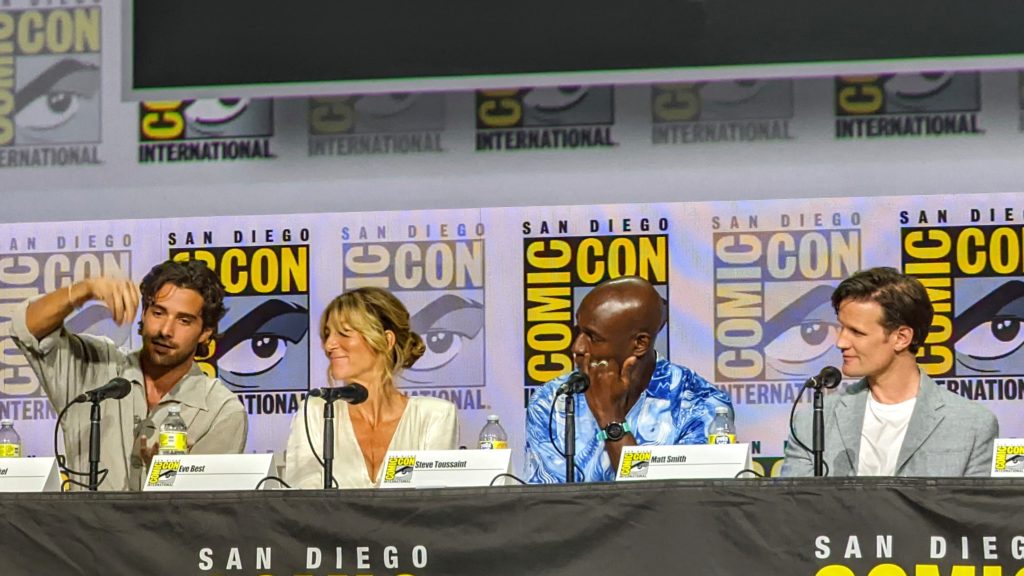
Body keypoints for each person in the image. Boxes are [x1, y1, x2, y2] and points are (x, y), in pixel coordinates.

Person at [11, 259, 248, 491]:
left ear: (205, 333)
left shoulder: (221, 411)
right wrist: (83, 290)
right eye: (158, 313)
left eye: (183, 321)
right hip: (81, 529)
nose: (165, 330)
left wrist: (164, 482)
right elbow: (28, 329)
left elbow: (209, 511)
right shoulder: (95, 365)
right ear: (143, 314)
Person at [781, 267, 998, 477]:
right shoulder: (813, 420)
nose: (841, 342)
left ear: (901, 338)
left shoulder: (973, 425)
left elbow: (975, 511)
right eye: (842, 328)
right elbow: (792, 508)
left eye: (856, 332)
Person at [526, 276, 733, 483]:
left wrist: (611, 420)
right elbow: (546, 503)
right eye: (578, 331)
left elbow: (676, 502)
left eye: (593, 337)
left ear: (639, 344)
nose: (577, 348)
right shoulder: (552, 399)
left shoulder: (699, 403)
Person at [285, 287, 458, 489]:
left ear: (386, 341)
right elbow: (301, 502)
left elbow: (434, 503)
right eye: (327, 334)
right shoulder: (315, 411)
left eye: (344, 333)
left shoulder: (434, 416)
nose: (329, 345)